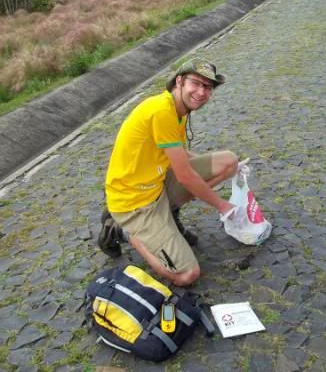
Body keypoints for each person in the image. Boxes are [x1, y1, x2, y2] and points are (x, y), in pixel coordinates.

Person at [98, 57, 239, 286]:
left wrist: (231, 169)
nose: (202, 92)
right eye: (197, 83)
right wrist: (222, 206)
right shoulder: (161, 111)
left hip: (157, 183)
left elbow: (180, 157)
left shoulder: (179, 111)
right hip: (136, 202)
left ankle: (169, 213)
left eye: (208, 87)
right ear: (179, 81)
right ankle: (125, 231)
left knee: (230, 162)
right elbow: (185, 175)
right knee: (187, 275)